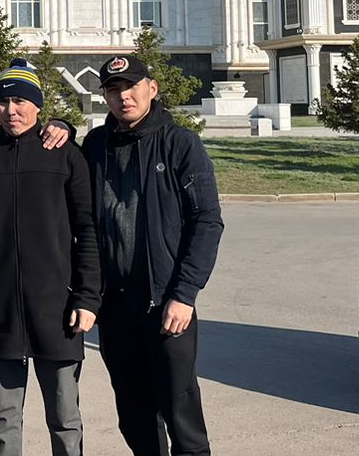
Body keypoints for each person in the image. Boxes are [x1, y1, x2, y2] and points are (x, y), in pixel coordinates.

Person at [0, 59, 101, 456]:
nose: (10, 110)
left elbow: (87, 229)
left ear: (37, 105)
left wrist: (87, 298)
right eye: (2, 102)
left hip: (58, 310)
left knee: (65, 419)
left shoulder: (65, 155)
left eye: (20, 101)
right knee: (2, 421)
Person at [82, 55, 223, 456]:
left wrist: (184, 294)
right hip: (115, 307)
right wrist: (56, 125)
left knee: (180, 412)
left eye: (131, 87)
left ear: (151, 88)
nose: (123, 97)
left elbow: (207, 221)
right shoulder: (95, 145)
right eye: (113, 90)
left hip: (165, 303)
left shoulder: (180, 144)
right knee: (133, 413)